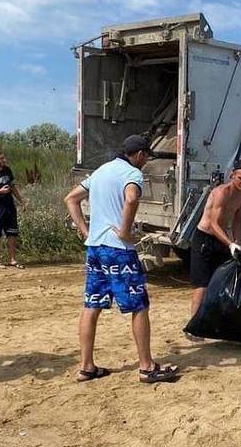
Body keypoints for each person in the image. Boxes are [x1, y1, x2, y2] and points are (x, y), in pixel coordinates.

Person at [64, 135, 178, 383]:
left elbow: (71, 199)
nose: (146, 161)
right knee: (139, 306)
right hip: (118, 250)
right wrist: (126, 231)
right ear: (139, 154)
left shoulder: (101, 171)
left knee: (92, 305)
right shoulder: (132, 174)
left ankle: (86, 366)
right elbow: (131, 198)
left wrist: (86, 232)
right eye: (146, 156)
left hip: (95, 248)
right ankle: (147, 367)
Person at [189, 159, 241, 317]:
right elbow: (213, 224)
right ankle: (194, 323)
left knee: (224, 280)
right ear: (232, 175)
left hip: (222, 238)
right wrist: (230, 244)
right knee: (202, 285)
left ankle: (217, 319)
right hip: (204, 238)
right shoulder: (221, 193)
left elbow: (238, 220)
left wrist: (238, 243)